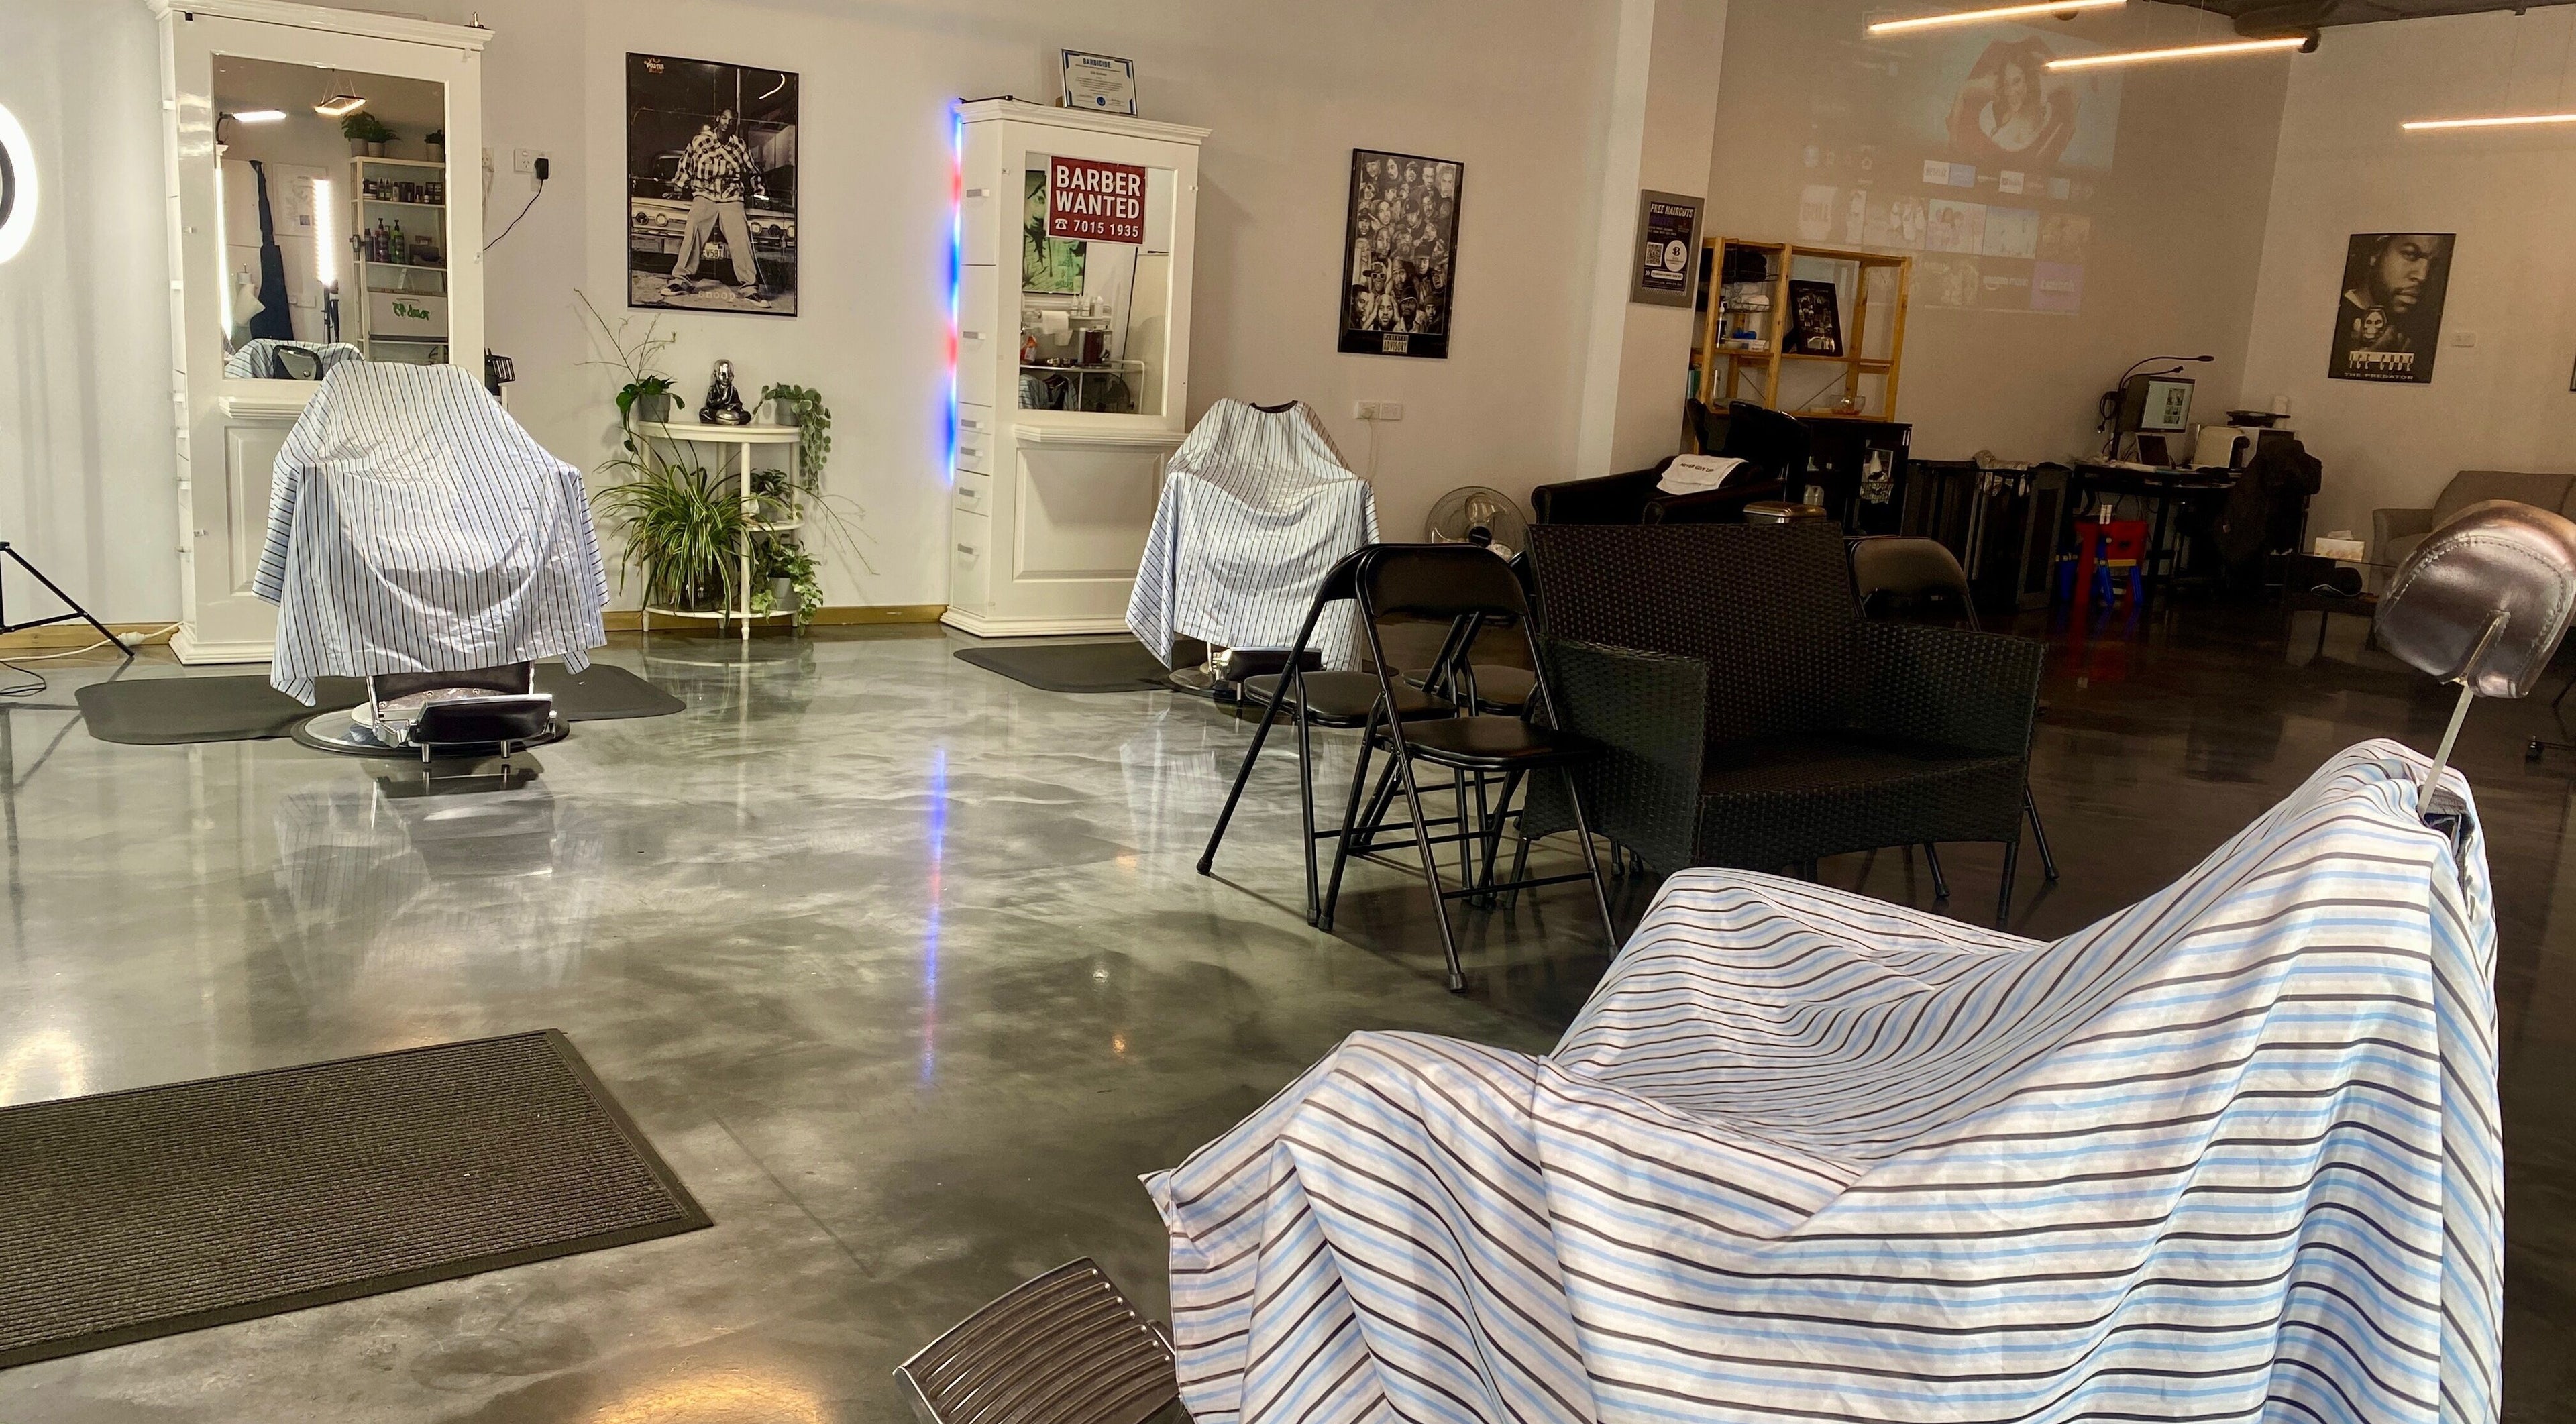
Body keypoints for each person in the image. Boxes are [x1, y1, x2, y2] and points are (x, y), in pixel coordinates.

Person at [664, 109, 769, 305]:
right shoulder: (699, 141)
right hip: (705, 194)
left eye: (732, 120)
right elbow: (686, 166)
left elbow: (752, 170)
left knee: (741, 236)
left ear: (735, 124)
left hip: (731, 197)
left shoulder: (739, 145)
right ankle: (680, 280)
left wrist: (759, 189)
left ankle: (749, 288)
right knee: (693, 226)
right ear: (717, 120)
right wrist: (677, 187)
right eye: (724, 118)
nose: (728, 123)